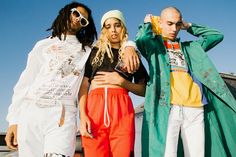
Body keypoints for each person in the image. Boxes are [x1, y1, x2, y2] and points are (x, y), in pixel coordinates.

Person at [5, 2, 139, 157]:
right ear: (66, 12)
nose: (78, 20)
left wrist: (130, 45)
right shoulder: (42, 45)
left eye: (83, 20)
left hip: (62, 113)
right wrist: (14, 120)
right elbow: (25, 83)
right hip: (31, 111)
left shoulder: (88, 50)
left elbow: (112, 41)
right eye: (76, 14)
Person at [135, 6, 236, 157]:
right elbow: (141, 39)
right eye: (169, 23)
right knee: (167, 153)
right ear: (160, 23)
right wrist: (147, 24)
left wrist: (188, 26)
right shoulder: (153, 48)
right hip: (168, 108)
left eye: (178, 24)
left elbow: (216, 36)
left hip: (195, 107)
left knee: (196, 154)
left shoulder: (191, 48)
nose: (174, 28)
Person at [79, 10, 149, 157]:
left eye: (117, 25)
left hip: (121, 109)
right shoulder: (94, 52)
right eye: (108, 26)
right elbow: (84, 86)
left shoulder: (131, 56)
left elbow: (145, 90)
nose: (113, 30)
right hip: (94, 109)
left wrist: (122, 82)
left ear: (123, 27)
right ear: (104, 30)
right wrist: (83, 115)